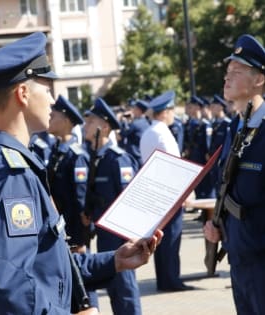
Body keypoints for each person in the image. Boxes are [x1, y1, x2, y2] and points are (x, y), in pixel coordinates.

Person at [0, 31, 162, 314]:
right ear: (23, 94)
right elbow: (10, 286)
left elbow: (46, 267)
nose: (52, 100)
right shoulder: (10, 175)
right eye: (46, 89)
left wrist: (114, 261)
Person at [204, 34, 265, 315]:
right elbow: (228, 186)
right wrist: (218, 224)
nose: (226, 79)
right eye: (227, 72)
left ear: (259, 80)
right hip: (240, 254)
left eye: (236, 72)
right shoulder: (235, 128)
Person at [82, 97, 141, 314]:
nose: (85, 126)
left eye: (90, 122)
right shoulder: (93, 157)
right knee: (114, 288)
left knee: (124, 289)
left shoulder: (118, 159)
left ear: (104, 127)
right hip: (103, 231)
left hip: (119, 234)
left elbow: (129, 199)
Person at [46, 95, 99, 309]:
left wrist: (82, 234)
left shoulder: (76, 155)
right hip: (61, 226)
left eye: (54, 115)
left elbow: (80, 197)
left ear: (67, 121)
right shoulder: (57, 151)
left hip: (74, 229)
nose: (49, 118)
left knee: (82, 280)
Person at [140, 90, 194, 292]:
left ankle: (164, 279)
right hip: (171, 193)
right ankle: (172, 280)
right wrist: (186, 193)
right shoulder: (163, 133)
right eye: (171, 110)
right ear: (165, 112)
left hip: (155, 192)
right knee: (171, 238)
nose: (173, 114)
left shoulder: (148, 132)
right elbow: (176, 167)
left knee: (161, 239)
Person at [119, 99, 151, 168]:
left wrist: (124, 121)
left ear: (139, 110)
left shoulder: (135, 124)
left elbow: (123, 133)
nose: (133, 111)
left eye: (135, 109)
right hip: (142, 157)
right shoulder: (146, 122)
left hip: (134, 157)